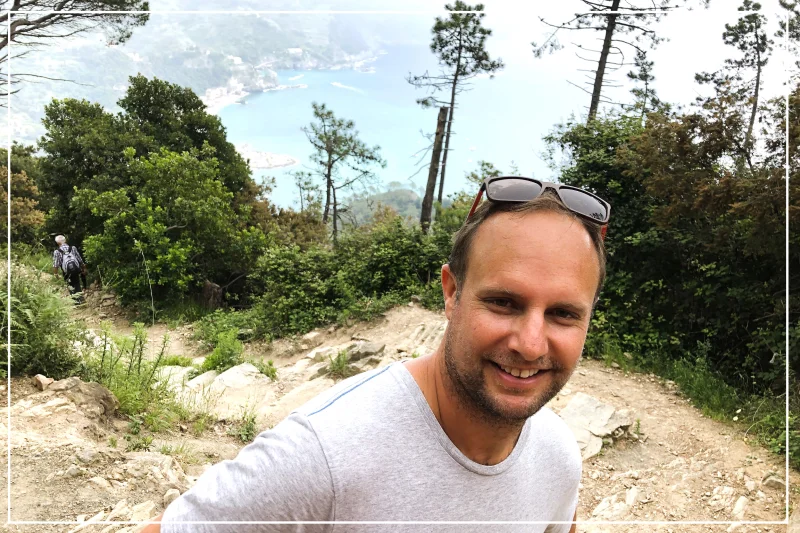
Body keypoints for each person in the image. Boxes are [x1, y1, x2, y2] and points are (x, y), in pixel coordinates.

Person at [146, 177, 611, 533]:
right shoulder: (322, 454)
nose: (530, 344)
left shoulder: (558, 458)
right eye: (503, 302)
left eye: (563, 314)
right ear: (452, 293)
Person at [52, 235, 87, 301]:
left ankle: (75, 301)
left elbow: (55, 265)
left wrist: (56, 274)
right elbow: (80, 260)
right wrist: (84, 268)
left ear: (57, 243)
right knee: (77, 283)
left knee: (70, 286)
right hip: (75, 270)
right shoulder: (73, 248)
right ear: (65, 240)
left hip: (67, 273)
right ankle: (81, 299)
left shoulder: (57, 252)